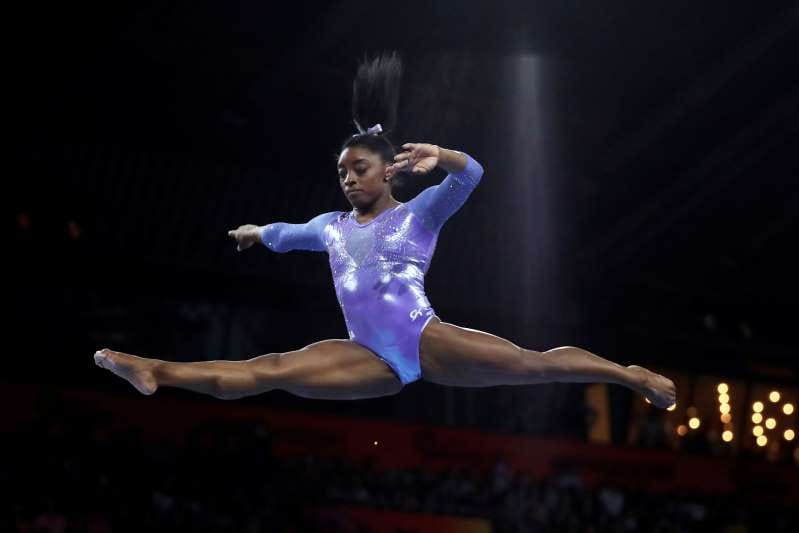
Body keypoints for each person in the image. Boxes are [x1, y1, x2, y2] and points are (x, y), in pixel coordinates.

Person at [94, 52, 675, 408]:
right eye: (341, 172)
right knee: (267, 373)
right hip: (368, 356)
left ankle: (629, 377)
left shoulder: (417, 213)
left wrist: (439, 153)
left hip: (424, 337)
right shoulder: (331, 226)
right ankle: (156, 370)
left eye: (359, 169)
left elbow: (473, 174)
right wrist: (255, 231)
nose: (347, 179)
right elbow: (288, 233)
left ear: (387, 167)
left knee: (535, 364)